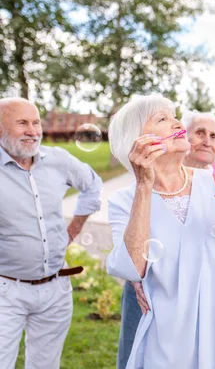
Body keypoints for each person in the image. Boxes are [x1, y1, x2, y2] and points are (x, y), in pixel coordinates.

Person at [106, 95, 215, 369]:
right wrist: (144, 186)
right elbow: (134, 268)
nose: (176, 123)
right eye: (163, 119)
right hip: (168, 344)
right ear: (137, 140)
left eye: (174, 116)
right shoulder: (124, 201)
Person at [114, 109, 215, 369]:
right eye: (199, 132)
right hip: (149, 291)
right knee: (135, 353)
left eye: (214, 136)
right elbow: (131, 247)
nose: (207, 141)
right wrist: (133, 276)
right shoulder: (145, 182)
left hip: (205, 297)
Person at [0, 97, 102, 369]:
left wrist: (74, 229)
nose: (33, 131)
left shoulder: (58, 160)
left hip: (55, 289)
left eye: (36, 123)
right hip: (5, 291)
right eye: (22, 123)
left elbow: (92, 185)